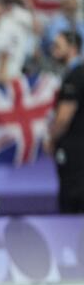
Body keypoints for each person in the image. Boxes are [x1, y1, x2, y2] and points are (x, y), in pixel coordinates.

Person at [46, 31, 84, 214]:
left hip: (75, 150)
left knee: (72, 199)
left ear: (73, 48)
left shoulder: (75, 76)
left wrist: (51, 139)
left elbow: (63, 118)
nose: (53, 51)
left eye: (58, 46)